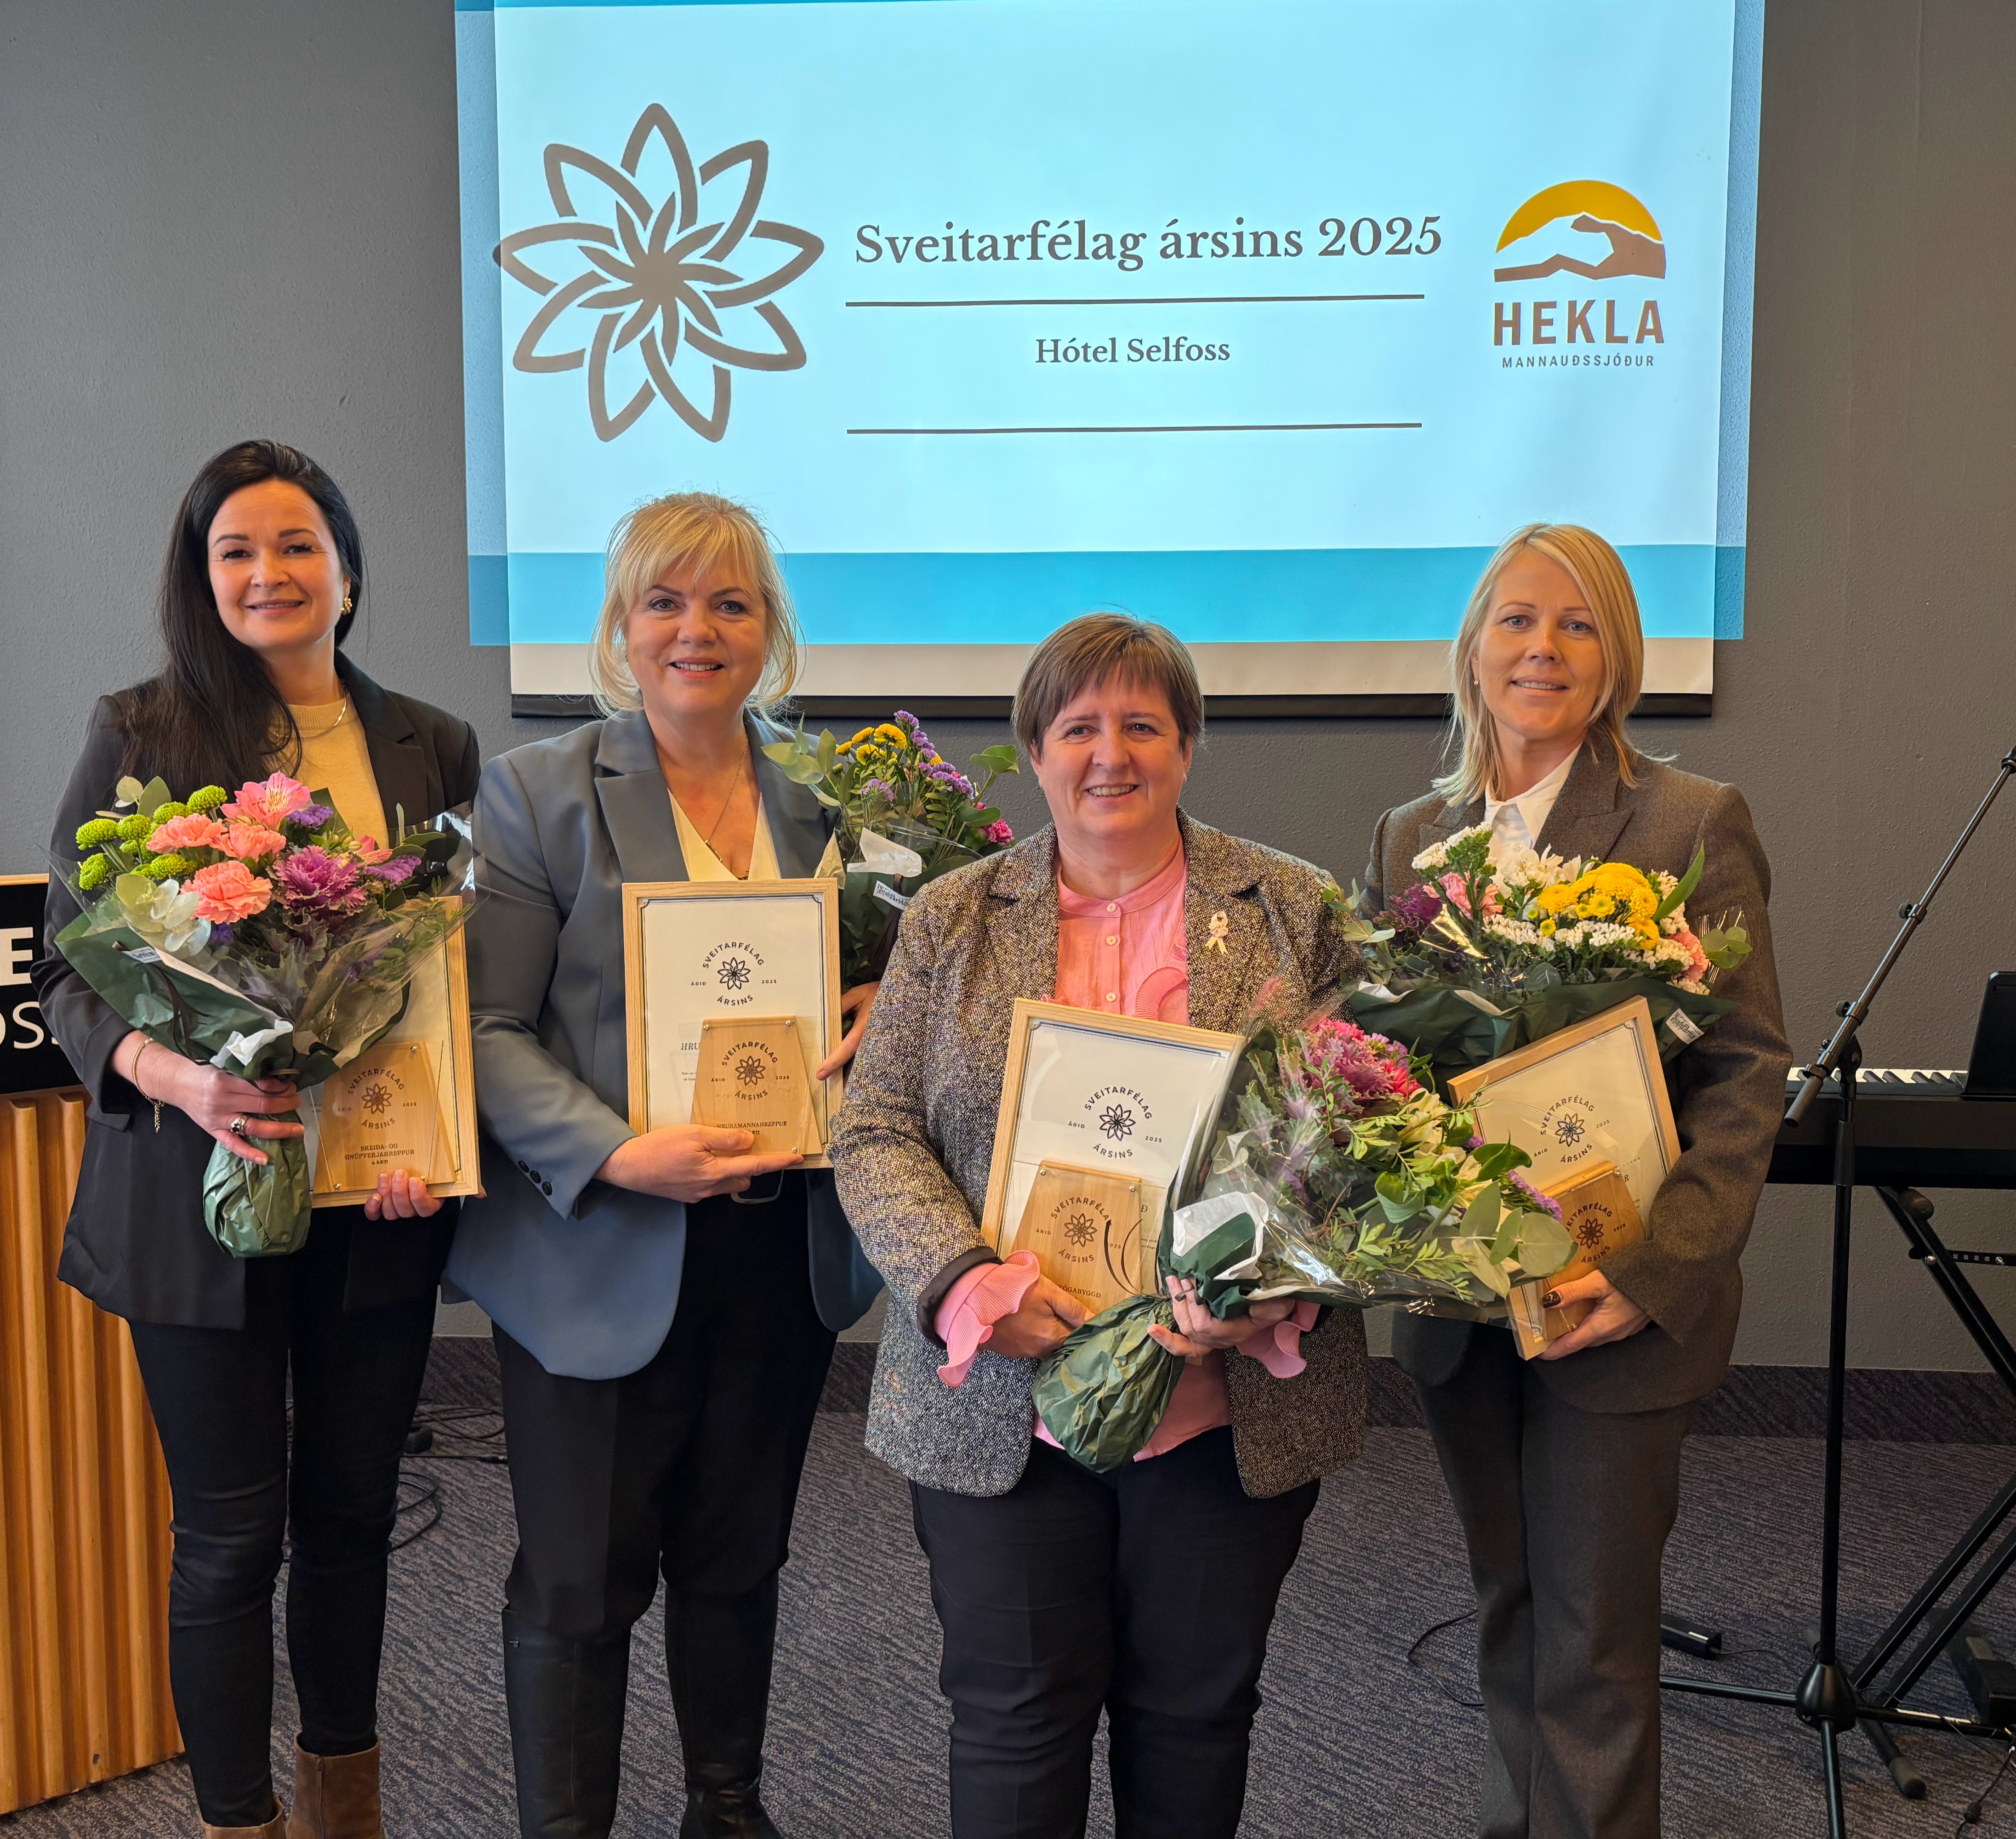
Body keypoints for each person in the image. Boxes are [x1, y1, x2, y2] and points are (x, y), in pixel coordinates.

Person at [830, 613, 1367, 1839]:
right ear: (1034, 750)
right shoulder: (953, 918)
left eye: (1142, 725)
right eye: (1078, 727)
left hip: (1224, 1400)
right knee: (1014, 1720)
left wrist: (1262, 1285)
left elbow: (1352, 1136)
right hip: (1001, 1399)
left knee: (1194, 1718)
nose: (1109, 754)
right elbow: (876, 1131)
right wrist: (966, 1282)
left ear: (1187, 746)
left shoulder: (1292, 907)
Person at [34, 440, 481, 1839]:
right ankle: (238, 1820)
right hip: (198, 1188)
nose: (269, 573)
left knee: (352, 1518)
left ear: (347, 568)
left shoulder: (433, 743)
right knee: (230, 1536)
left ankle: (345, 1806)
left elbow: (445, 977)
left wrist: (434, 1137)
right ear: (201, 575)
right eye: (236, 549)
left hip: (377, 1196)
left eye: (298, 545)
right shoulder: (141, 731)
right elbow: (69, 971)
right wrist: (178, 1077)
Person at [445, 492, 883, 1839]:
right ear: (621, 630)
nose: (698, 629)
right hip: (598, 1244)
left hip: (777, 1242)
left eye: (731, 603)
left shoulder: (835, 807)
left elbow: (872, 995)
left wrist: (886, 1005)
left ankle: (725, 1807)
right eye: (666, 601)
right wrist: (620, 1151)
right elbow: (484, 1029)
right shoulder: (538, 791)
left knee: (737, 1556)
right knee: (580, 1580)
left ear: (771, 634)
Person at [1365, 524, 1789, 1839]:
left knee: (1595, 1638)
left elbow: (1745, 1074)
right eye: (1515, 619)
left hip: (1620, 1304)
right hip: (1464, 1306)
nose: (1540, 648)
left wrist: (1653, 1273)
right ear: (1473, 647)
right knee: (1507, 1608)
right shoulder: (1413, 836)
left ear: (1617, 657)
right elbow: (1380, 1070)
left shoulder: (1687, 821)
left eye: (1576, 623)